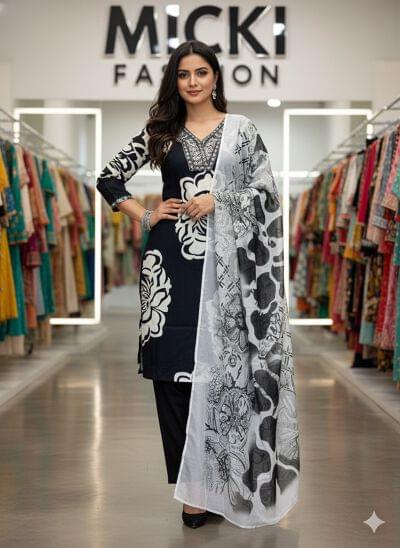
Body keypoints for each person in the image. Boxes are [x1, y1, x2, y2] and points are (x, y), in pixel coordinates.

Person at [96, 40, 300, 530]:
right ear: (175, 80)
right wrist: (145, 214)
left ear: (215, 78)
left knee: (224, 373)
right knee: (172, 375)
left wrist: (219, 200)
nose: (192, 82)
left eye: (201, 73)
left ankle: (222, 482)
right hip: (168, 268)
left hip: (229, 272)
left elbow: (267, 193)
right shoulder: (161, 134)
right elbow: (109, 178)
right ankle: (191, 490)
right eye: (184, 74)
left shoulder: (241, 131)